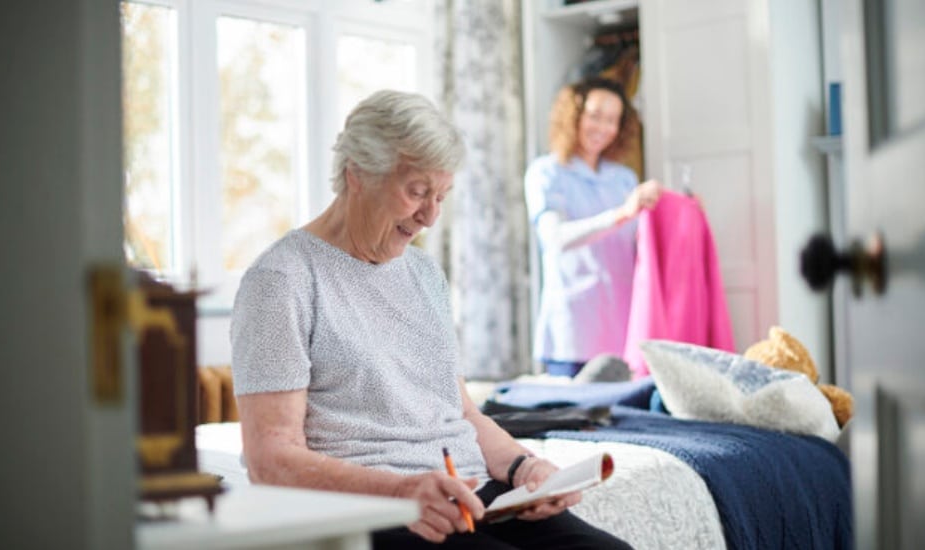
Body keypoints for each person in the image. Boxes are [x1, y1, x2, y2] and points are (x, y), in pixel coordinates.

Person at [230, 89, 632, 550]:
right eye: (417, 191)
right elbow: (270, 459)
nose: (430, 216)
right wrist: (402, 491)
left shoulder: (424, 273)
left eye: (441, 195)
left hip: (469, 492)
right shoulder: (281, 279)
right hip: (374, 506)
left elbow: (459, 411)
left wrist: (525, 469)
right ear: (356, 173)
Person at [525, 77, 662, 377]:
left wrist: (682, 211)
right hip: (572, 332)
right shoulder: (546, 173)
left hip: (623, 330)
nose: (603, 128)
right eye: (595, 116)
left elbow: (644, 243)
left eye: (612, 120)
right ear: (573, 116)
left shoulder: (624, 179)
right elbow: (555, 238)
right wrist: (621, 213)